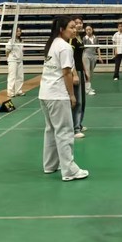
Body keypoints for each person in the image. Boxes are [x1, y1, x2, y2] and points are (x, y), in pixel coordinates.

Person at [38, 15, 88, 181]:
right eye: (71, 27)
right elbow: (67, 73)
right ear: (61, 29)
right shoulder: (65, 47)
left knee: (51, 130)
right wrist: (72, 95)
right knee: (65, 132)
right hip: (57, 95)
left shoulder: (52, 44)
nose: (75, 30)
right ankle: (69, 171)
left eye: (75, 27)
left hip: (45, 94)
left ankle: (50, 165)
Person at [70, 15, 87, 138]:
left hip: (80, 71)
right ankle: (75, 129)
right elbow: (70, 58)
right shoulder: (72, 39)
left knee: (83, 101)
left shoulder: (80, 38)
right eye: (76, 23)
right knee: (77, 101)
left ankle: (79, 124)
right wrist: (74, 74)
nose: (79, 25)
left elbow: (80, 57)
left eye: (80, 22)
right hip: (74, 73)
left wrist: (85, 71)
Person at [83, 25, 102, 95]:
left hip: (93, 56)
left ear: (92, 30)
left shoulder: (95, 38)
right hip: (86, 56)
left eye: (89, 29)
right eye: (87, 30)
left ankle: (88, 86)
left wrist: (99, 56)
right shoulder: (84, 38)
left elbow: (98, 48)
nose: (88, 31)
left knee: (91, 72)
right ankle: (87, 90)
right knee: (87, 72)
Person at [6, 27, 25, 99]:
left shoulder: (21, 41)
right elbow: (7, 51)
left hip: (20, 60)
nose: (19, 32)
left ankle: (18, 91)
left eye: (20, 31)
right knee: (12, 76)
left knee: (20, 76)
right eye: (17, 31)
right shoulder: (11, 41)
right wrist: (8, 59)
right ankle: (10, 92)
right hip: (13, 60)